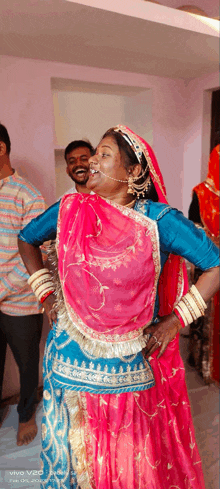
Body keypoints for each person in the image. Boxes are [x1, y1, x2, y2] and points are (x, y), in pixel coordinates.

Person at [18, 125, 219, 489]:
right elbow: (27, 238)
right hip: (66, 361)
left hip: (124, 370)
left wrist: (177, 320)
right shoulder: (69, 209)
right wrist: (45, 292)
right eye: (95, 153)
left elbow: (215, 264)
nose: (92, 161)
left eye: (104, 154)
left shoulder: (158, 221)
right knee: (69, 454)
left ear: (134, 172)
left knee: (126, 461)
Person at [0, 123, 46, 446]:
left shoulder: (28, 195)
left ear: (1, 148)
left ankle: (26, 413)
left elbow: (34, 255)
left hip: (21, 301)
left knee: (27, 364)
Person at [188, 144, 219, 384]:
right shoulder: (201, 195)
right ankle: (203, 365)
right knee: (204, 321)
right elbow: (195, 234)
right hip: (208, 267)